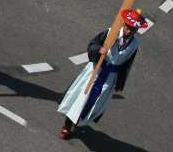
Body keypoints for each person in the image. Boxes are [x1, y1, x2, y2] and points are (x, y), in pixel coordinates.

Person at [57, 8, 147, 139]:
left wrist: (120, 83)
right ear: (124, 24)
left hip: (109, 78)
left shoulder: (134, 44)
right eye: (129, 27)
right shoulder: (110, 33)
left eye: (134, 29)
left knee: (94, 102)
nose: (131, 31)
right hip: (95, 71)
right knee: (80, 98)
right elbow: (92, 44)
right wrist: (99, 49)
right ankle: (67, 125)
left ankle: (77, 120)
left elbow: (127, 65)